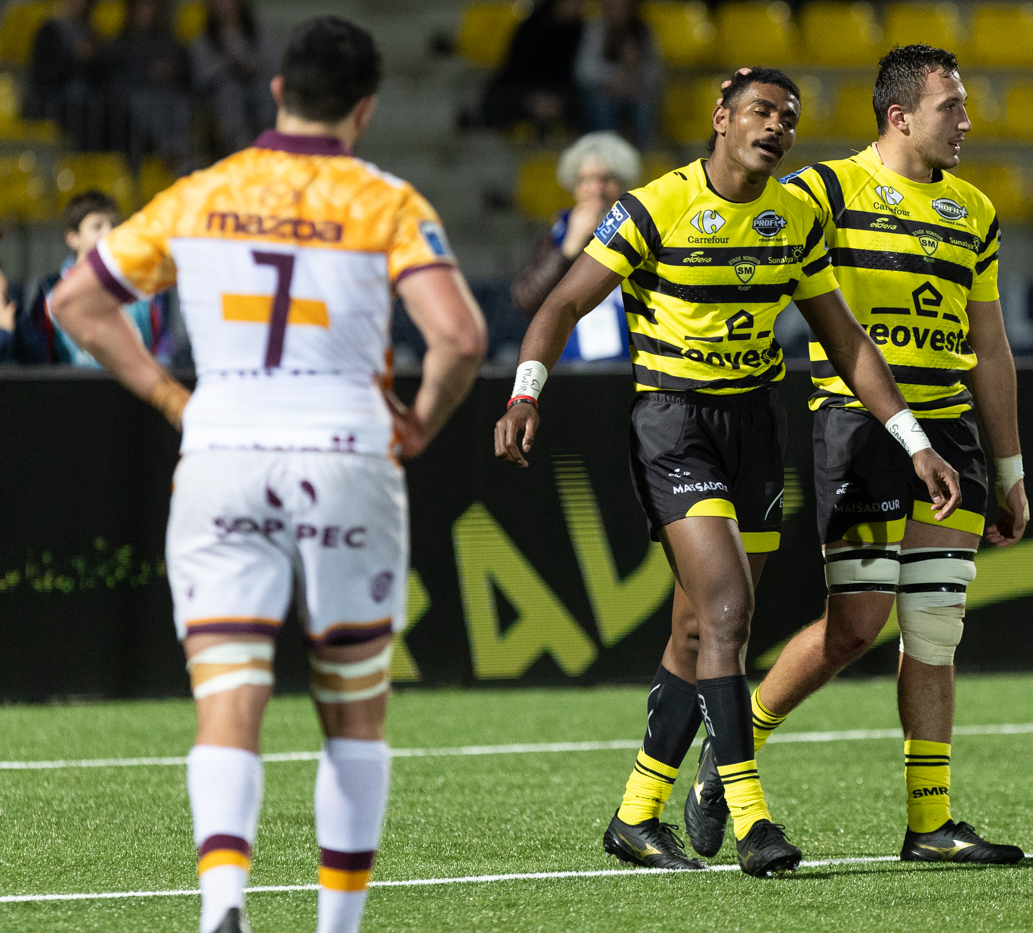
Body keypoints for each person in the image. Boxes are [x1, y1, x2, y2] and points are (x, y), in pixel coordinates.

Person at [48, 16, 487, 933]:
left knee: (229, 692)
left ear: (278, 90)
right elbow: (458, 335)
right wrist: (420, 420)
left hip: (224, 449)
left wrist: (172, 398)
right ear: (365, 109)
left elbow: (75, 301)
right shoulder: (387, 201)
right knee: (354, 707)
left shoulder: (201, 193)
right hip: (345, 452)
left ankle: (223, 907)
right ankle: (337, 927)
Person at [495, 67, 961, 877]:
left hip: (754, 427)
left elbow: (847, 341)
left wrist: (914, 440)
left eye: (788, 116)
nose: (776, 126)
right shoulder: (656, 207)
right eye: (760, 111)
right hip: (674, 425)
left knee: (695, 630)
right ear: (721, 118)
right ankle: (751, 818)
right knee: (727, 608)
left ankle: (635, 814)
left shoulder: (793, 217)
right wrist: (525, 392)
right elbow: (563, 303)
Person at [684, 48, 1028, 866]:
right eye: (951, 107)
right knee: (857, 627)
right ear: (900, 116)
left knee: (935, 627)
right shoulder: (826, 193)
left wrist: (1012, 469)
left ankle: (930, 824)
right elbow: (736, 212)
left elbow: (990, 347)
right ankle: (729, 748)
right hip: (860, 426)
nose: (967, 122)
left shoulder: (975, 210)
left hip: (950, 429)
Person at [511, 131, 638, 362]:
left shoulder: (641, 232)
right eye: (586, 180)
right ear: (573, 185)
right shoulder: (556, 235)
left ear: (624, 183)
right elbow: (527, 301)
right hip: (568, 367)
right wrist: (568, 248)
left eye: (607, 179)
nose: (597, 189)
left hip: (630, 365)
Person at [28, 191, 165, 366]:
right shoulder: (50, 289)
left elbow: (161, 350)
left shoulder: (141, 286)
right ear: (73, 238)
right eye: (97, 226)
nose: (109, 233)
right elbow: (40, 357)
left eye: (113, 225)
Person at [103, 0, 193, 171]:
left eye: (150, 7)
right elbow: (116, 76)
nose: (147, 13)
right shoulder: (122, 42)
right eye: (142, 8)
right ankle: (168, 152)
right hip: (135, 95)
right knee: (151, 103)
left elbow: (182, 66)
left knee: (180, 103)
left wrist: (170, 69)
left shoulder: (166, 39)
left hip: (166, 92)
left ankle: (180, 153)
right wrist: (148, 73)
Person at [481, 0, 584, 138]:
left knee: (586, 101)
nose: (577, 7)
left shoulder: (580, 31)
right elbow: (515, 70)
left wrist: (557, 100)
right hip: (525, 88)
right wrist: (531, 99)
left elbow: (576, 73)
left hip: (561, 92)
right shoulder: (532, 27)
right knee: (498, 98)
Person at [191, 0, 277, 158]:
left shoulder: (257, 32)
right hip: (222, 94)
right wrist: (226, 66)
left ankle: (266, 141)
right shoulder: (205, 38)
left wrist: (252, 65)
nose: (226, 6)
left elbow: (272, 64)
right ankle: (239, 146)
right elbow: (201, 77)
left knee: (266, 89)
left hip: (256, 86)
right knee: (231, 92)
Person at [574, 0, 659, 148]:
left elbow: (654, 73)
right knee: (602, 105)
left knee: (644, 108)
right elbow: (583, 70)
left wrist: (633, 76)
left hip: (635, 92)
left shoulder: (643, 32)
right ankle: (605, 152)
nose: (617, 12)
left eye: (622, 7)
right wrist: (614, 77)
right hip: (602, 92)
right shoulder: (595, 30)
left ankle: (641, 154)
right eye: (612, 7)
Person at [23, 0, 104, 150]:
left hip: (87, 97)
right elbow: (42, 74)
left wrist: (93, 57)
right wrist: (74, 57)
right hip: (53, 98)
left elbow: (100, 76)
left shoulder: (92, 34)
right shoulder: (49, 31)